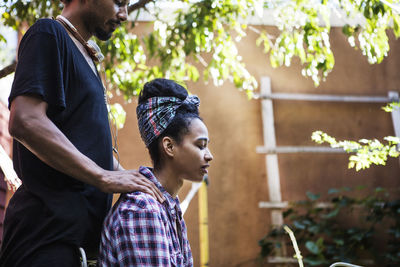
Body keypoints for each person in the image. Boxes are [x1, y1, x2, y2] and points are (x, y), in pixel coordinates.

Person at [0, 0, 165, 266]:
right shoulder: (48, 33)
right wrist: (103, 177)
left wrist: (134, 181)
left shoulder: (87, 57)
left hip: (83, 249)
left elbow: (89, 149)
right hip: (46, 242)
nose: (124, 15)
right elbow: (25, 120)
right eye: (119, 3)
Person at [98, 78, 213, 266]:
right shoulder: (143, 209)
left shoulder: (167, 205)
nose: (209, 156)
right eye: (200, 146)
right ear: (169, 146)